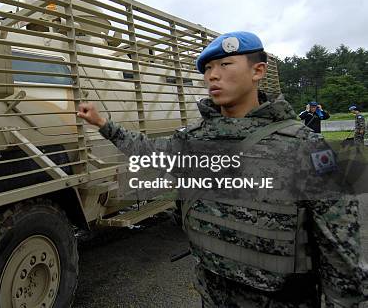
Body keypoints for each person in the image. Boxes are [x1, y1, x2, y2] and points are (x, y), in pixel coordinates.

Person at [77, 31, 366, 307]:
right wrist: (104, 125)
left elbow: (341, 256)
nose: (213, 75)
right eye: (208, 68)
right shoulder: (194, 139)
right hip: (212, 295)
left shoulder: (307, 148)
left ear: (258, 71)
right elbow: (148, 151)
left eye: (226, 64)